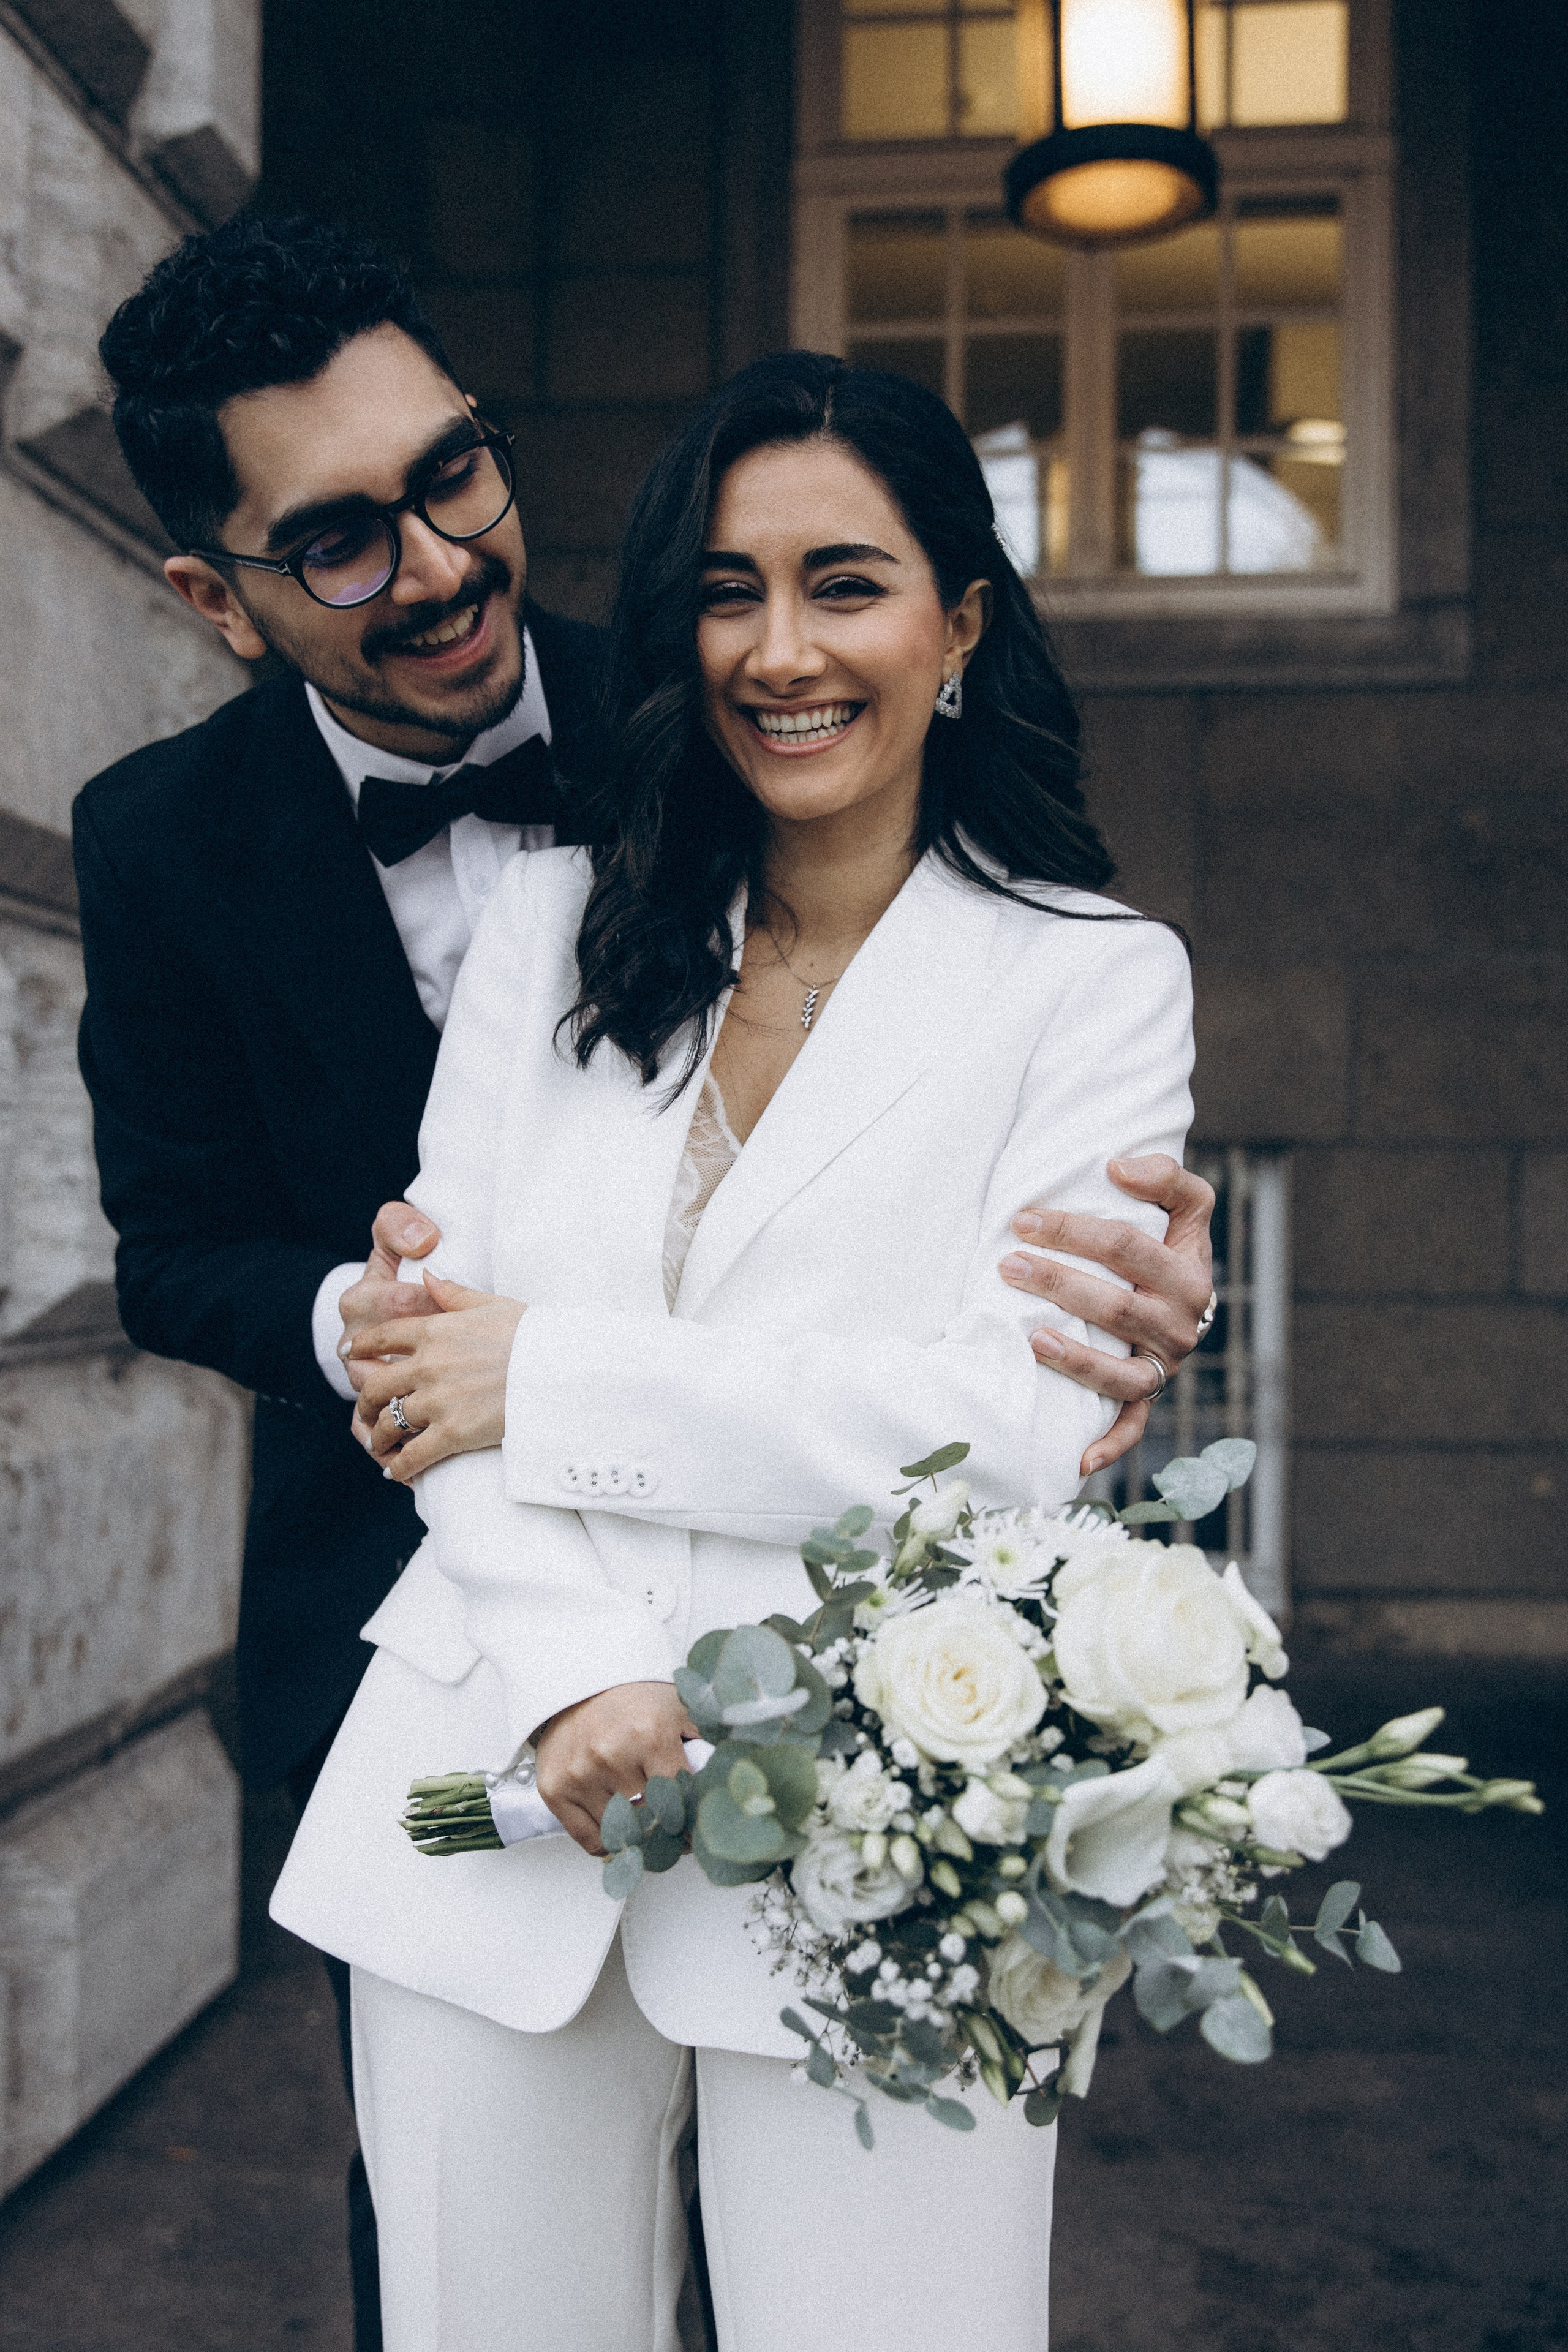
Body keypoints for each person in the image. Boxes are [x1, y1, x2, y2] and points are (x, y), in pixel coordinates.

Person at [75, 221, 1210, 2348]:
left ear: (958, 624)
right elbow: (183, 1248)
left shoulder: (702, 720)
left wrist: (532, 1367)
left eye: (453, 480)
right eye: (334, 542)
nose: (428, 563)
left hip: (889, 1767)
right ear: (214, 597)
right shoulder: (176, 848)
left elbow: (1010, 1396)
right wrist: (408, 1367)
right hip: (461, 1712)